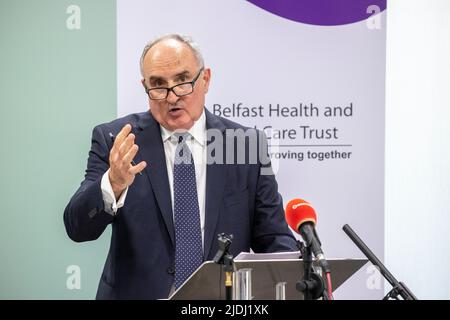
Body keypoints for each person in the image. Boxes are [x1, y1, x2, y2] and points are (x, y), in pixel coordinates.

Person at [64, 34, 297, 300]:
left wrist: (297, 277)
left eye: (183, 80)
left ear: (205, 79)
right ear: (145, 86)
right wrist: (112, 185)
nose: (172, 96)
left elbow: (274, 238)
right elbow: (77, 228)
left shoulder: (245, 145)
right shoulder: (118, 140)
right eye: (158, 85)